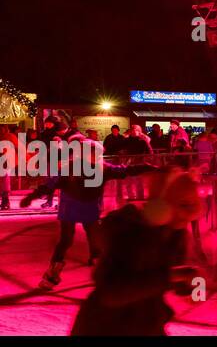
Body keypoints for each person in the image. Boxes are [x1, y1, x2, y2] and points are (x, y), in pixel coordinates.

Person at [68, 169, 202, 336]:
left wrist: (192, 286)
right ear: (160, 205)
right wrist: (171, 276)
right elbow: (112, 292)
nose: (189, 214)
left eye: (193, 205)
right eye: (183, 205)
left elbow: (171, 279)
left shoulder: (175, 233)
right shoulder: (129, 231)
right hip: (104, 327)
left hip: (145, 323)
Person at [22, 135, 136, 289]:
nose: (96, 157)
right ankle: (53, 273)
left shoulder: (101, 167)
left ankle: (96, 264)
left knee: (91, 237)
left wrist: (148, 167)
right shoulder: (71, 168)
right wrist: (32, 196)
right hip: (72, 209)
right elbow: (50, 185)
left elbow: (125, 170)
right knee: (68, 240)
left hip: (87, 209)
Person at [0, 124, 19, 211]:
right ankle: (5, 200)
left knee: (5, 179)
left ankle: (5, 200)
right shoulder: (9, 136)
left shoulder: (10, 136)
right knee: (4, 180)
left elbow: (18, 147)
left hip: (7, 160)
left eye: (2, 128)